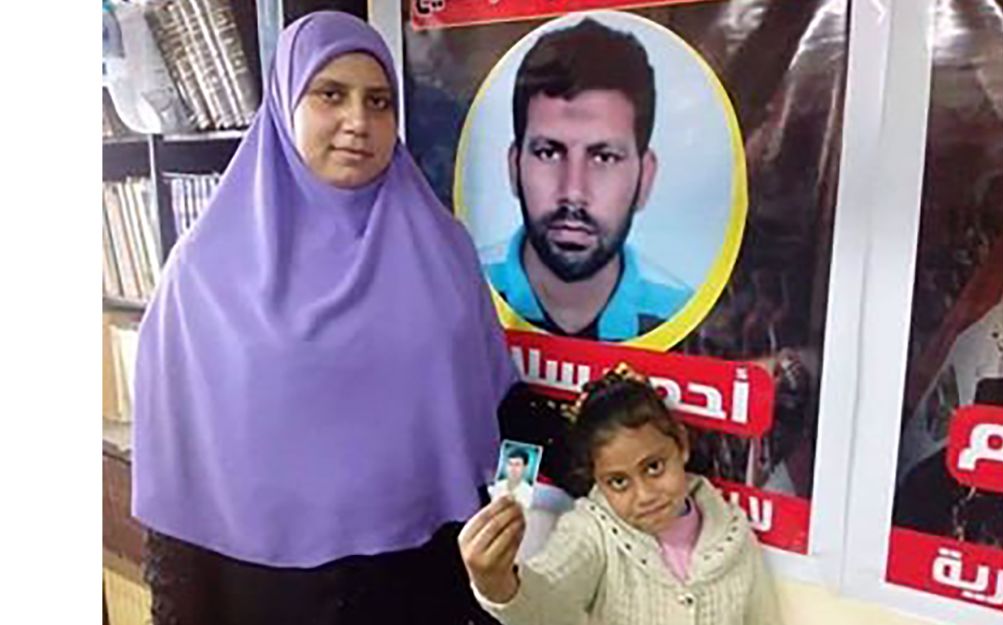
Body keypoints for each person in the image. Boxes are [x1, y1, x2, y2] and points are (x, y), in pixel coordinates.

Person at [131, 12, 516, 625]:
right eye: (330, 94)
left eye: (380, 101)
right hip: (264, 590)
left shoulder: (444, 252)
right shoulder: (202, 273)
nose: (358, 122)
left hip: (425, 581)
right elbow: (181, 474)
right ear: (285, 106)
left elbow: (498, 411)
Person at [458, 364, 783, 625]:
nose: (644, 496)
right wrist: (498, 585)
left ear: (681, 446)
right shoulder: (592, 533)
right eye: (618, 482)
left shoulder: (733, 537)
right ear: (597, 480)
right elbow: (548, 600)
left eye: (654, 467)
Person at [484, 18, 692, 342]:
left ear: (646, 177)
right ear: (514, 167)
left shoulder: (688, 319)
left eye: (604, 158)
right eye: (549, 153)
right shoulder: (460, 295)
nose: (573, 192)